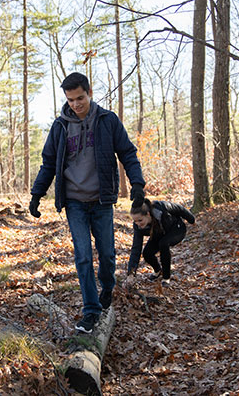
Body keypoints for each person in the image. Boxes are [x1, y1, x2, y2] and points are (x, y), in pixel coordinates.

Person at [29, 72, 146, 334]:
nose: (76, 104)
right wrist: (37, 194)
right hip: (75, 202)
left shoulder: (107, 120)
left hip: (102, 199)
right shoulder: (60, 126)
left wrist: (137, 184)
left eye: (80, 98)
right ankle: (91, 311)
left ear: (89, 93)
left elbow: (127, 153)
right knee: (83, 256)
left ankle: (108, 285)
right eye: (70, 100)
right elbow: (49, 163)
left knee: (106, 255)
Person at [125, 199, 195, 287]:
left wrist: (191, 219)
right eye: (135, 221)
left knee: (164, 244)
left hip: (177, 229)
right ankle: (158, 271)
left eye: (140, 220)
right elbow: (136, 248)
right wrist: (131, 273)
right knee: (147, 253)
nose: (137, 223)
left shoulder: (161, 208)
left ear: (148, 214)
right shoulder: (138, 227)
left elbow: (179, 208)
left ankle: (166, 277)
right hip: (158, 234)